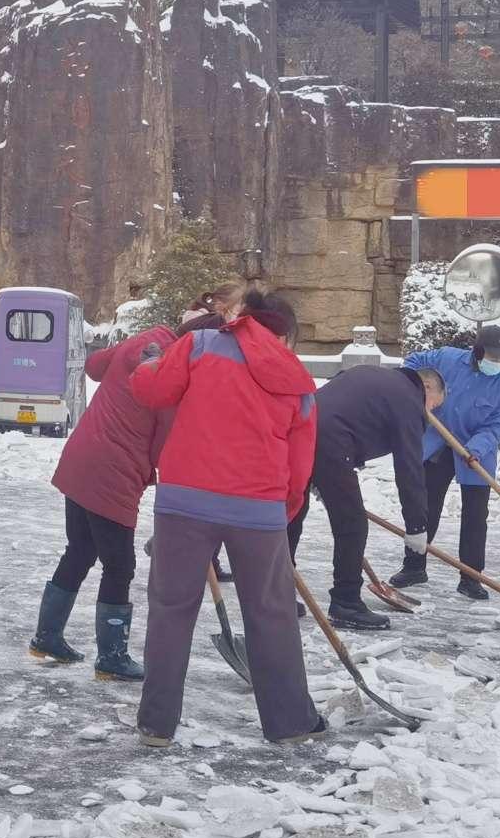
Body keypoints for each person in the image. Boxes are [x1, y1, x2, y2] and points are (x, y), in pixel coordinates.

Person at [128, 287, 321, 746]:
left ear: (244, 316)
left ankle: (157, 724)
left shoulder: (198, 346)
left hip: (185, 500)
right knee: (272, 614)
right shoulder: (299, 380)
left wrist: (150, 361)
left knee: (171, 609)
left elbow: (151, 390)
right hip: (259, 508)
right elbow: (300, 466)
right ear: (285, 333)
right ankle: (290, 723)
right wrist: (282, 510)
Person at [28, 312, 178, 682]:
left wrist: (121, 350)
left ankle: (47, 637)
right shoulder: (169, 374)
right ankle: (112, 657)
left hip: (80, 460)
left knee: (79, 550)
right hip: (112, 473)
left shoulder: (135, 344)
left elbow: (94, 366)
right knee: (120, 565)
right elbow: (163, 446)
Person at [297, 364, 442, 630]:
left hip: (299, 427)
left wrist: (321, 470)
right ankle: (346, 602)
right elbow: (409, 467)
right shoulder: (409, 399)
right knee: (352, 524)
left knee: (293, 512)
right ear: (428, 387)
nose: (429, 412)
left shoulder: (377, 376)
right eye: (433, 405)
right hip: (332, 439)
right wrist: (417, 526)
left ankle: (276, 594)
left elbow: (349, 410)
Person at [392, 326, 500, 601]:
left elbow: (498, 424)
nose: (497, 363)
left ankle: (471, 578)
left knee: (476, 516)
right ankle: (414, 566)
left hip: (475, 450)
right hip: (437, 441)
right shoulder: (447, 359)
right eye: (492, 357)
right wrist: (418, 391)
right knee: (425, 507)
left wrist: (476, 447)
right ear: (477, 351)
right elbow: (412, 365)